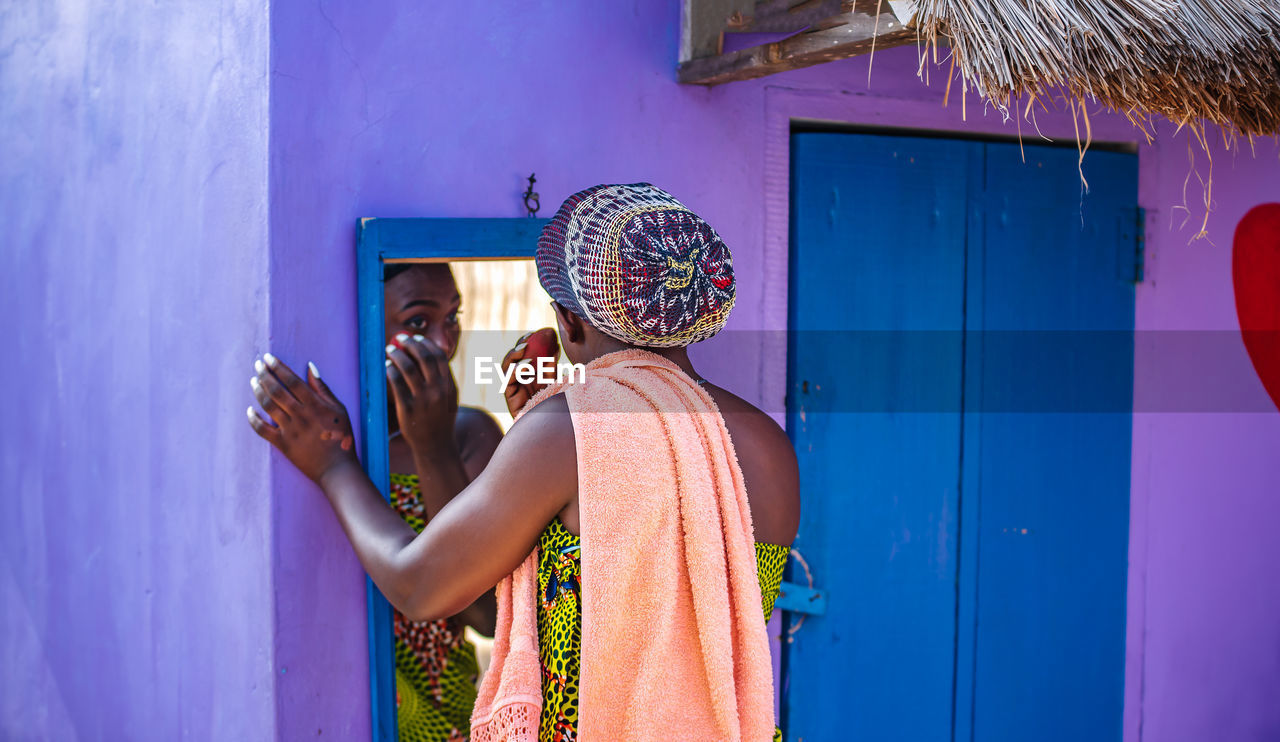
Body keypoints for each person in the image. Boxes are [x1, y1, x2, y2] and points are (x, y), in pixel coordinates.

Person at [248, 184, 800, 741]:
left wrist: (332, 467)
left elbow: (419, 587)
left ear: (568, 321)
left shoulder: (564, 432)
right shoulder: (768, 446)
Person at [384, 263, 502, 742]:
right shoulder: (328, 437)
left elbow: (488, 616)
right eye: (416, 323)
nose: (443, 343)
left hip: (444, 717)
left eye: (452, 318)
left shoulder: (468, 436)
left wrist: (433, 449)